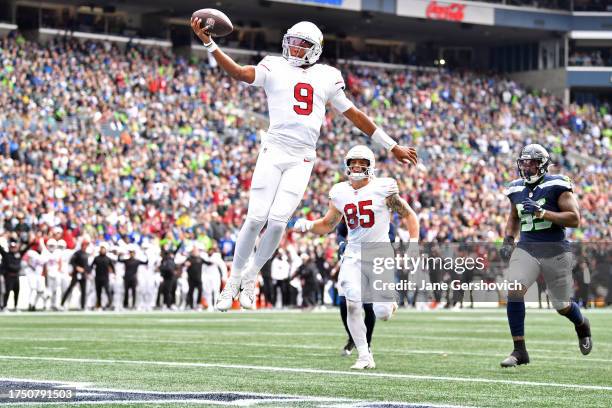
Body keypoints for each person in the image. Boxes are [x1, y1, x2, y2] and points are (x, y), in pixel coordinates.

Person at [190, 17, 418, 311]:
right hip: (273, 149)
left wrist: (392, 145)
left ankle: (251, 276)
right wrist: (209, 43)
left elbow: (356, 115)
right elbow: (238, 72)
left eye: (302, 45)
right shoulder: (273, 65)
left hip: (303, 157)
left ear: (315, 49)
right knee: (256, 217)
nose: (295, 49)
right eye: (293, 43)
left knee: (277, 221)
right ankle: (233, 281)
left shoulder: (328, 76)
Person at [292, 145, 419, 369]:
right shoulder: (340, 191)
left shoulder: (384, 187)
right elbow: (328, 224)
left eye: (362, 163)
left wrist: (415, 245)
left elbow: (409, 215)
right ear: (347, 165)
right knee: (352, 303)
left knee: (382, 313)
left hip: (379, 251)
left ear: (371, 166)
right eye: (353, 162)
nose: (357, 166)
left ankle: (390, 302)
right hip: (353, 252)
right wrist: (309, 225)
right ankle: (364, 355)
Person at [499, 144, 592, 367]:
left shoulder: (556, 185)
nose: (526, 167)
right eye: (523, 162)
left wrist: (543, 213)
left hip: (555, 250)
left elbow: (574, 219)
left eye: (531, 163)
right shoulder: (516, 188)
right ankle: (519, 350)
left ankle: (582, 324)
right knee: (514, 288)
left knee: (561, 305)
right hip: (527, 248)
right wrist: (508, 240)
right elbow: (514, 216)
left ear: (542, 165)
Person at [0, 238, 33, 311]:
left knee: (17, 291)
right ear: (9, 247)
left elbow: (26, 248)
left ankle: (15, 306)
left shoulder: (18, 254)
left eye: (14, 247)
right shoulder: (6, 255)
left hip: (16, 276)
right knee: (7, 292)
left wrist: (31, 242)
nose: (13, 248)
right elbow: (1, 250)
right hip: (8, 276)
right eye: (12, 247)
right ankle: (4, 306)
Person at [61, 241, 91, 310]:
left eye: (86, 245)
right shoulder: (77, 253)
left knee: (83, 290)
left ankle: (83, 306)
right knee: (70, 288)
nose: (85, 246)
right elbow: (71, 262)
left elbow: (87, 265)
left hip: (83, 275)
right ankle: (62, 303)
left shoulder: (86, 254)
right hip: (76, 274)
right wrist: (77, 267)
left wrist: (87, 272)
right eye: (84, 245)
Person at [119, 245, 148, 309]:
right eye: (130, 252)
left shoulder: (137, 261)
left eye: (133, 253)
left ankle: (133, 304)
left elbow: (146, 262)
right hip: (126, 278)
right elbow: (119, 260)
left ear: (134, 254)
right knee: (126, 292)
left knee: (134, 292)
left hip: (133, 278)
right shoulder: (126, 261)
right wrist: (120, 254)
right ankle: (125, 305)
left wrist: (146, 254)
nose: (131, 254)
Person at [91, 245, 115, 310]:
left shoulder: (108, 259)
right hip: (98, 278)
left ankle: (110, 304)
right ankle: (99, 305)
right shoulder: (96, 258)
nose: (103, 251)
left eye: (104, 250)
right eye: (102, 250)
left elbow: (112, 267)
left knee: (107, 291)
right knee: (98, 292)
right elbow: (91, 266)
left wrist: (114, 274)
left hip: (105, 278)